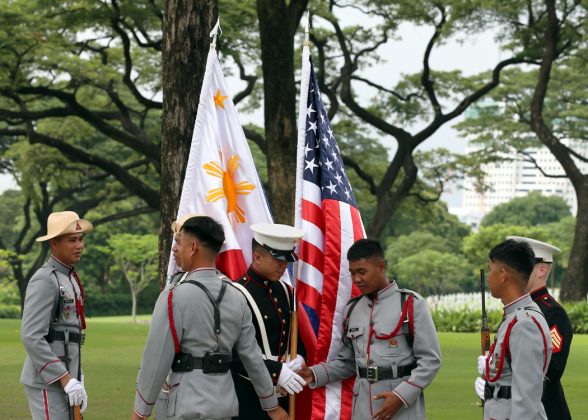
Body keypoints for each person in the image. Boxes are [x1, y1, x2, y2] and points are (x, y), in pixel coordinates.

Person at [131, 216, 287, 420]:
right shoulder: (237, 296)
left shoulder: (173, 296)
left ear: (193, 247)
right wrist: (271, 405)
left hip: (187, 405)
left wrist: (140, 412)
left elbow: (156, 360)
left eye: (179, 242)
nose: (174, 249)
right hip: (225, 404)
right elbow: (253, 359)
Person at [298, 238, 441, 420]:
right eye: (352, 273)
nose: (357, 279)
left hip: (402, 409)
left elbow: (430, 360)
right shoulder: (352, 309)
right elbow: (348, 362)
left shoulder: (410, 304)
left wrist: (401, 396)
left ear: (380, 266)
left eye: (362, 272)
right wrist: (313, 373)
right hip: (363, 408)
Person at [230, 223, 307, 419]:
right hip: (249, 396)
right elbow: (231, 353)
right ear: (257, 257)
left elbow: (294, 335)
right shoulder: (234, 294)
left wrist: (299, 357)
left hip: (283, 391)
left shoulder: (284, 290)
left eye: (287, 260)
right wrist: (275, 371)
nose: (284, 266)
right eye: (278, 260)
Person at [20, 211, 93, 418]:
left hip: (65, 378)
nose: (79, 245)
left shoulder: (69, 278)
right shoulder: (45, 279)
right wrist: (65, 379)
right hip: (48, 381)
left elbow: (70, 336)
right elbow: (31, 336)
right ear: (53, 243)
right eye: (72, 240)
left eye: (81, 239)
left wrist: (78, 376)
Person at [475, 239, 552, 420]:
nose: (488, 277)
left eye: (490, 269)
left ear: (503, 274)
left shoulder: (524, 324)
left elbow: (526, 398)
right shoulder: (515, 317)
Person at [506, 236, 572, 420]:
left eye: (523, 266)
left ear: (541, 269)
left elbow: (550, 372)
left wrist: (505, 382)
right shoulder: (517, 308)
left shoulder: (553, 313)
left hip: (545, 411)